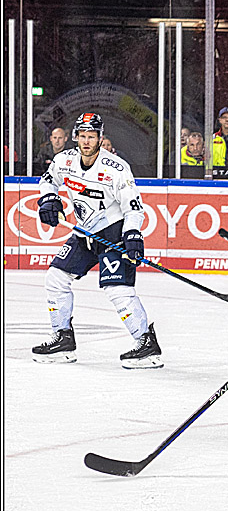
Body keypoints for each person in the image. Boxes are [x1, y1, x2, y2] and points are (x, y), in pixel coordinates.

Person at [32, 113, 162, 368]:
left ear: (100, 138)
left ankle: (146, 343)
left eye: (92, 136)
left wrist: (133, 235)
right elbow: (48, 181)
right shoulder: (64, 160)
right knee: (56, 278)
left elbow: (134, 208)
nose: (87, 141)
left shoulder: (116, 168)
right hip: (84, 232)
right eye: (83, 136)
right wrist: (48, 199)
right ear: (75, 137)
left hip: (113, 232)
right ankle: (63, 339)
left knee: (117, 289)